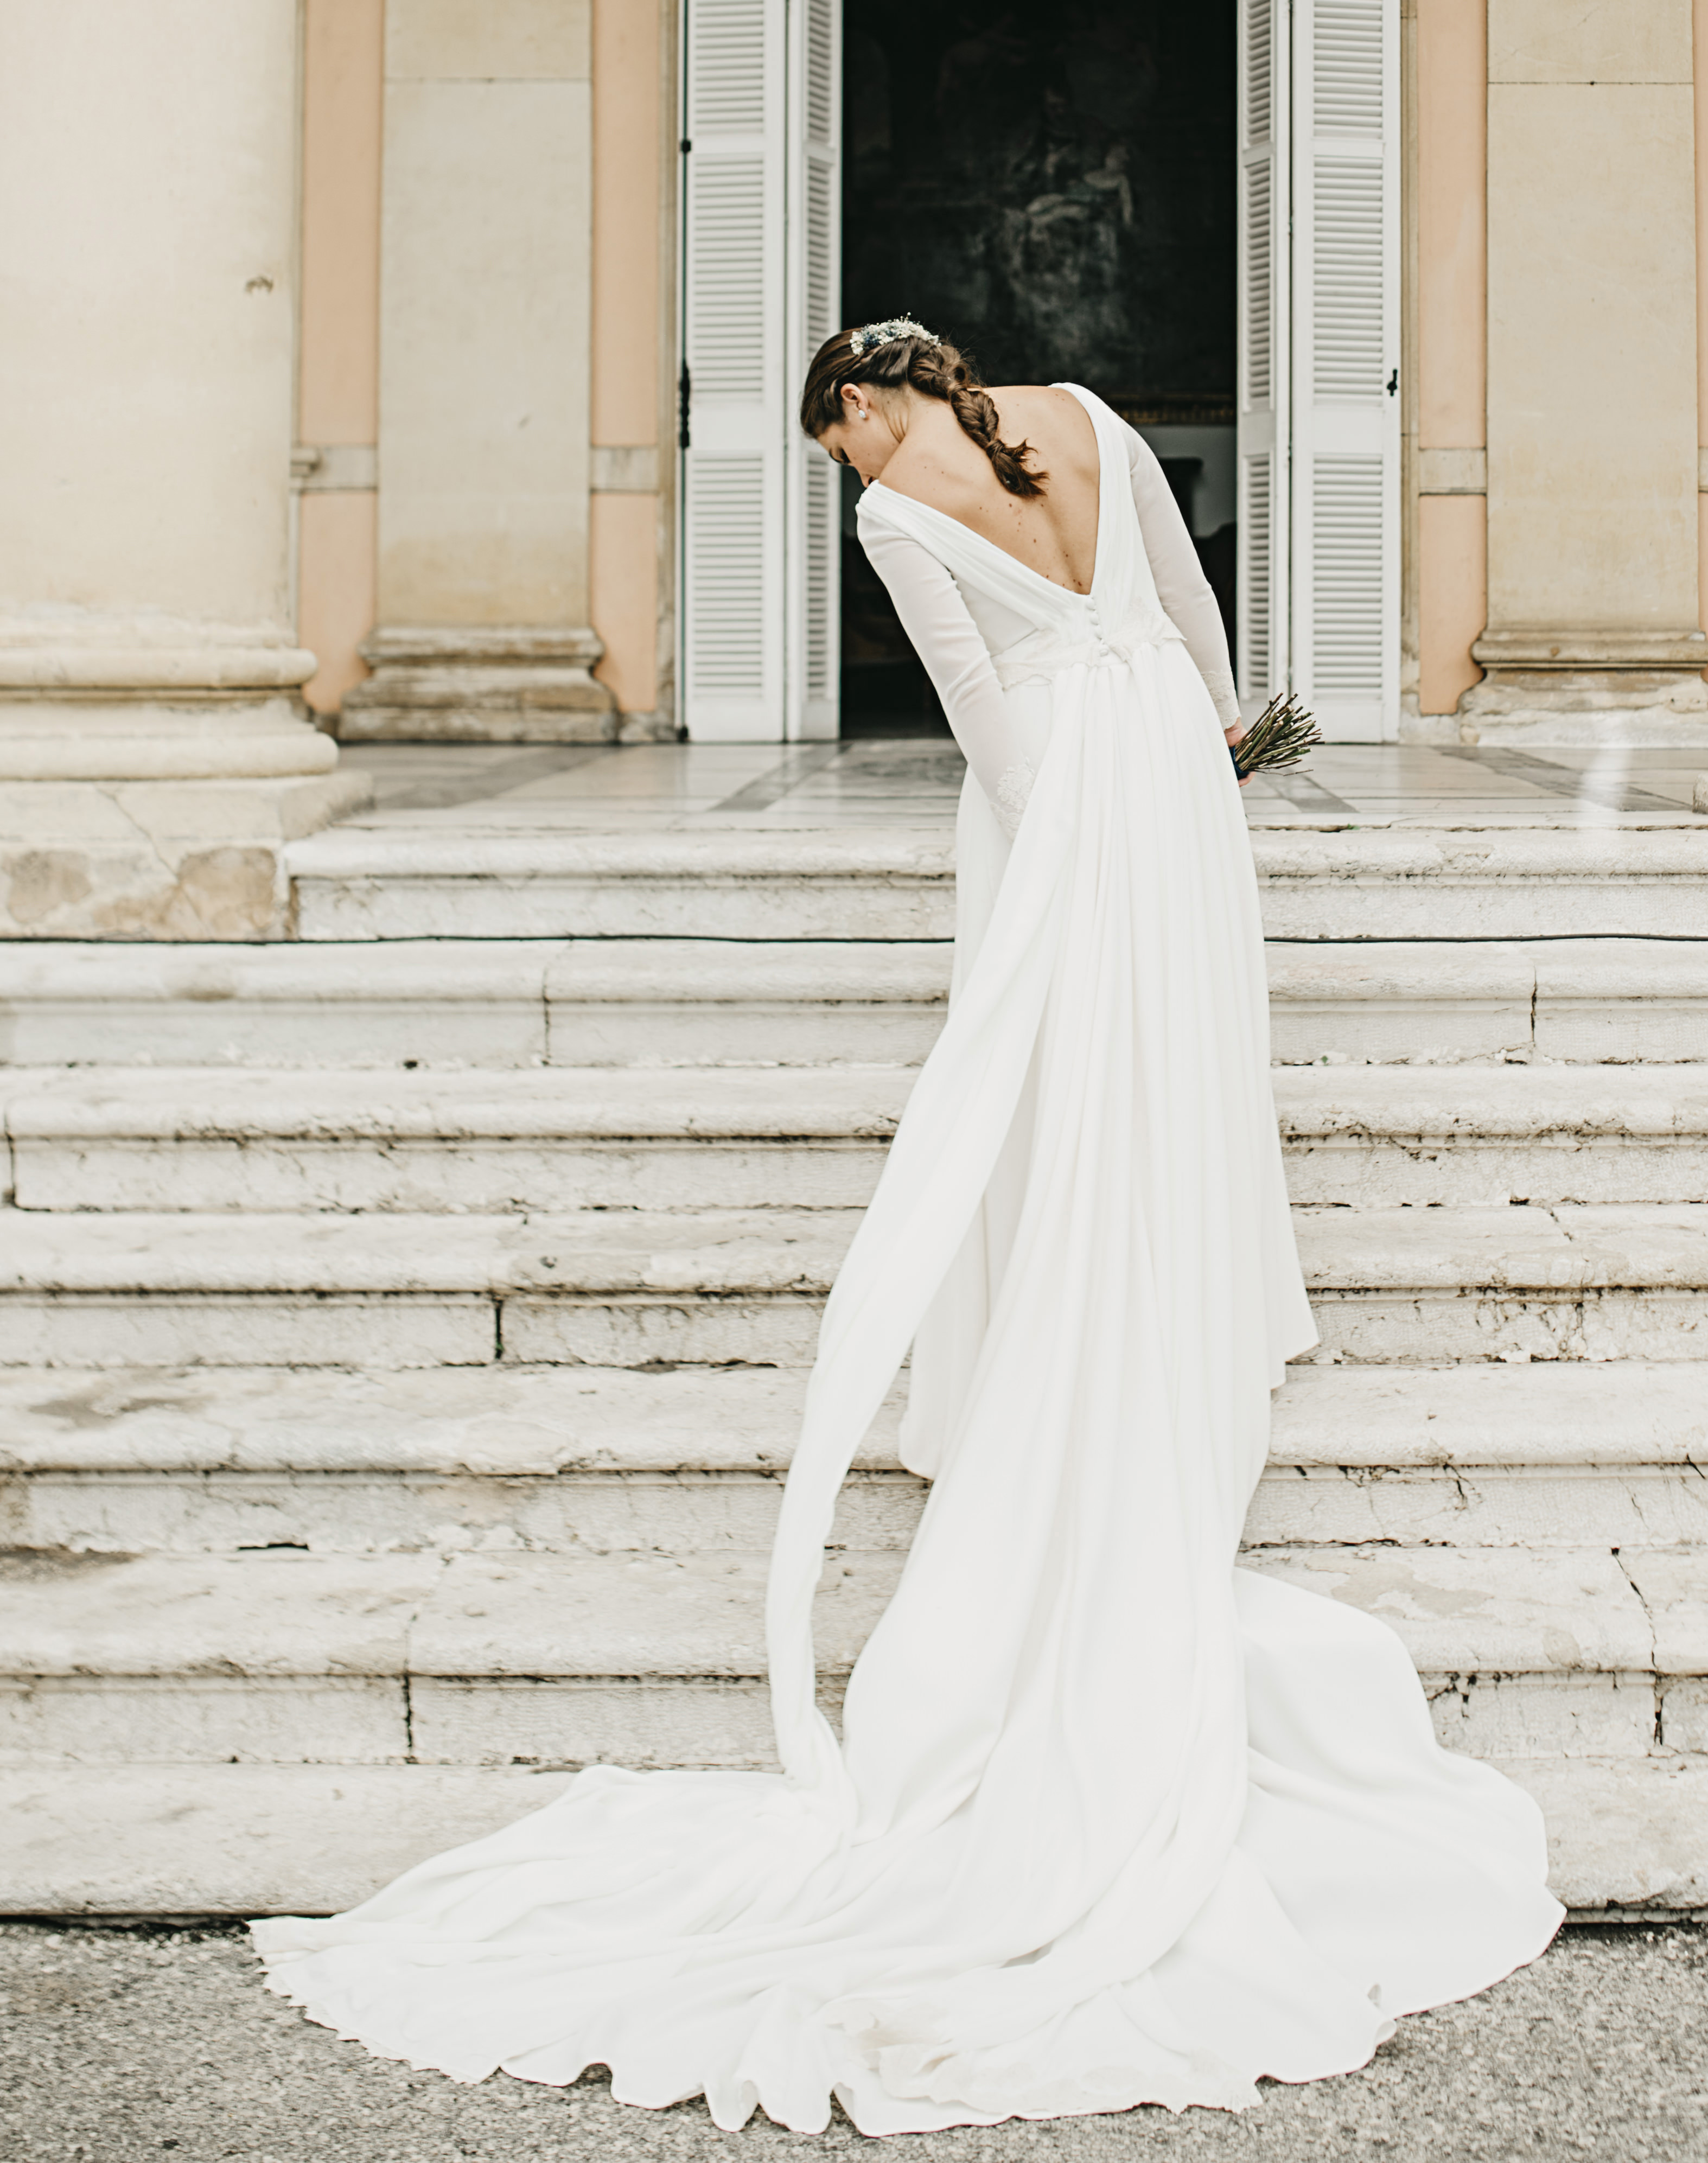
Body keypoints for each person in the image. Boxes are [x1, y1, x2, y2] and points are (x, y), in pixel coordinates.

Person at [254, 321, 1560, 2130]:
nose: (852, 475)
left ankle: (1069, 1300)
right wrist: (1212, 751)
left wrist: (1052, 866)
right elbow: (1190, 608)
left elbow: (988, 720)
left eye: (840, 444)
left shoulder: (895, 511)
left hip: (1070, 793)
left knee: (1052, 1050)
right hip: (1175, 769)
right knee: (1178, 1040)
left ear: (863, 403)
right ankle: (1165, 1294)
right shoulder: (1089, 414)